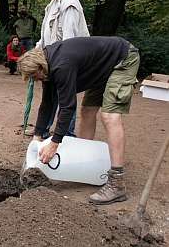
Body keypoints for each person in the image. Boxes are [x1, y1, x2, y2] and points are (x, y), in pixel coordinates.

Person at [18, 36, 140, 205]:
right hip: (101, 69)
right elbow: (47, 103)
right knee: (88, 111)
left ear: (40, 67)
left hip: (121, 60)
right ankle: (86, 160)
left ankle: (117, 183)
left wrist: (54, 143)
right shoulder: (47, 66)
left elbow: (67, 107)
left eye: (35, 76)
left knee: (109, 115)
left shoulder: (61, 66)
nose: (36, 80)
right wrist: (37, 136)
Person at [35, 0, 90, 139]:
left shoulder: (69, 4)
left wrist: (62, 64)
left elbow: (69, 39)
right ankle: (42, 131)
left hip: (66, 60)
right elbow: (46, 34)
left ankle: (67, 135)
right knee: (49, 96)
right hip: (51, 58)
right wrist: (37, 51)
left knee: (66, 98)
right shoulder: (52, 4)